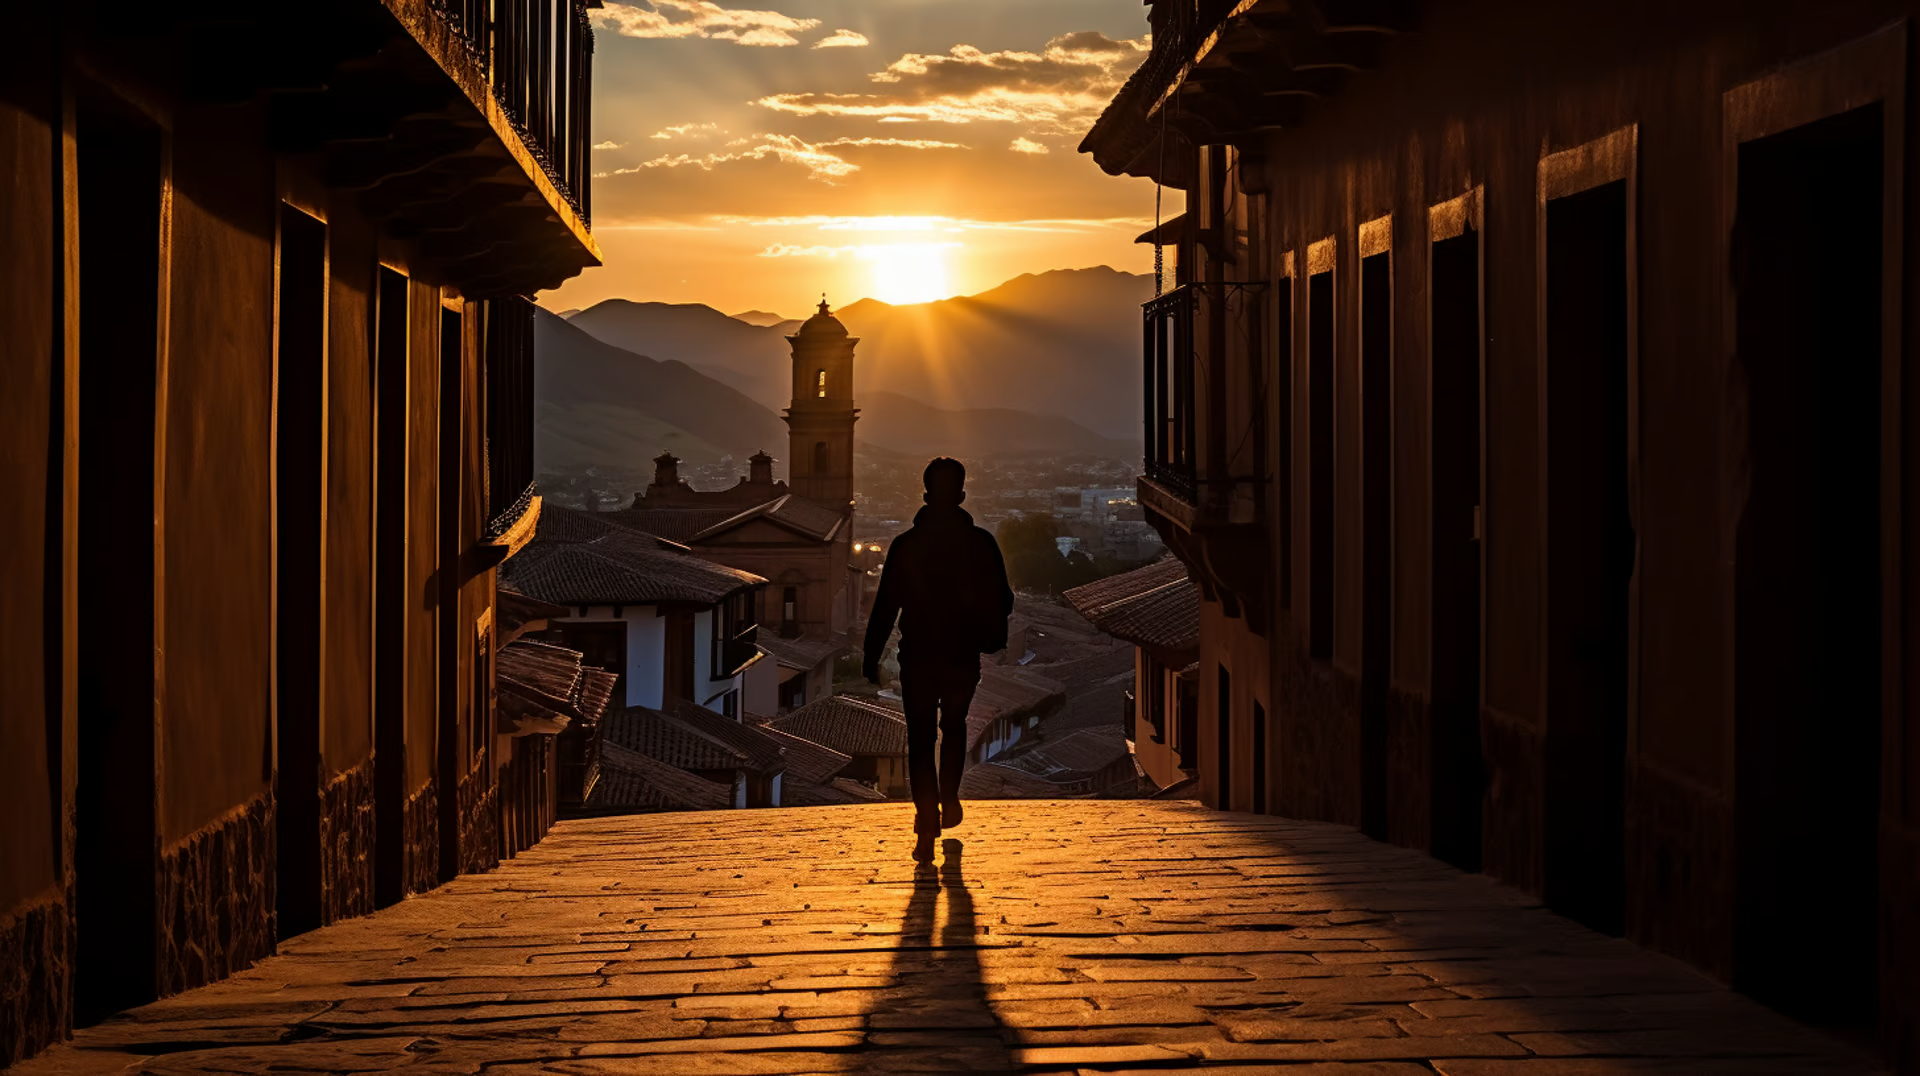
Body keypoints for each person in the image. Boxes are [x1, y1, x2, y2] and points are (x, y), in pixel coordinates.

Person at [864, 457, 1014, 862]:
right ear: (962, 495)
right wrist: (990, 636)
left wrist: (870, 654)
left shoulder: (906, 546)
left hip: (919, 657)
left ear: (926, 494)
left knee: (920, 738)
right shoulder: (981, 543)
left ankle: (926, 818)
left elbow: (885, 607)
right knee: (954, 727)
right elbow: (1003, 598)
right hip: (961, 657)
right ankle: (949, 797)